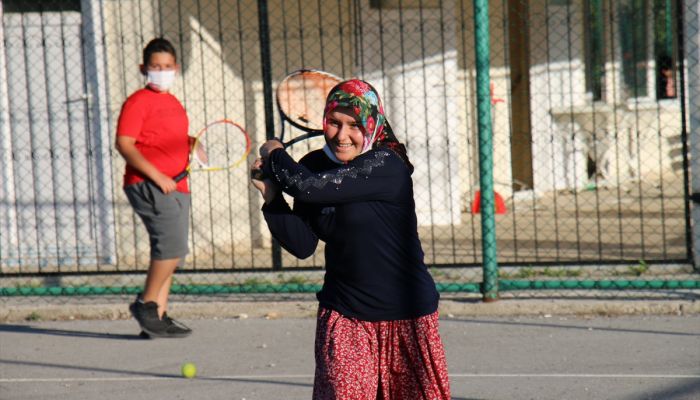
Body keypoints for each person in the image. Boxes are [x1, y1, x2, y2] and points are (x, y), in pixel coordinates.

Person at [251, 79, 451, 399]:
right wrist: (273, 198)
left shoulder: (386, 164)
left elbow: (308, 188)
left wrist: (274, 153)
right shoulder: (313, 168)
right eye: (334, 123)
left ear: (372, 124)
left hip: (407, 318)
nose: (342, 136)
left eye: (354, 125)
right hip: (346, 317)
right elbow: (303, 246)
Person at [115, 37, 192, 338]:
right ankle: (146, 305)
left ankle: (156, 317)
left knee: (173, 251)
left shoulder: (173, 102)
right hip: (149, 184)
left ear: (176, 68)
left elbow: (169, 136)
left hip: (178, 185)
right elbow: (124, 144)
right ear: (143, 68)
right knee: (170, 246)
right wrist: (156, 176)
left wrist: (192, 146)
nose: (162, 71)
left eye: (167, 66)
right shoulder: (138, 102)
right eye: (155, 66)